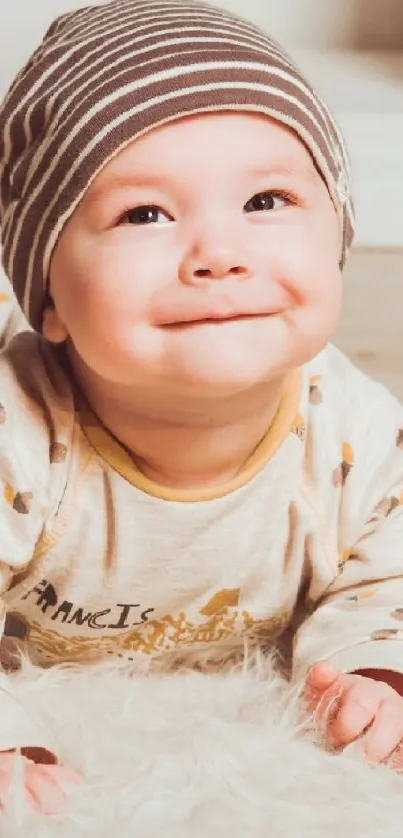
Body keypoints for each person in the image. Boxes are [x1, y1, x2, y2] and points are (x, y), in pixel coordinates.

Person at [1, 0, 403, 813]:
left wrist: (373, 673)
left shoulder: (354, 431)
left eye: (265, 202)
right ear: (49, 299)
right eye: (143, 214)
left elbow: (388, 573)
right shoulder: (20, 429)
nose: (218, 254)